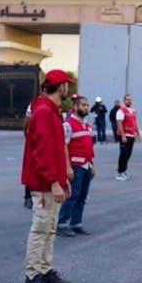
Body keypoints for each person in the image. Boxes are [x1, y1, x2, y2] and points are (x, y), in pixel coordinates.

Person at [21, 69, 76, 283]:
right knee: (41, 228)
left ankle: (45, 269)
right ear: (61, 86)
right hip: (44, 183)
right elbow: (42, 151)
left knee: (49, 228)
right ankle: (32, 277)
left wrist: (62, 180)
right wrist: (54, 181)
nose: (68, 88)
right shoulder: (44, 111)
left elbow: (55, 149)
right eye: (66, 85)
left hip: (51, 182)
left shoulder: (50, 111)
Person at [57, 95, 95, 237]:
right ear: (75, 107)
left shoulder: (87, 125)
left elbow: (90, 147)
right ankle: (62, 223)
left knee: (82, 195)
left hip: (86, 165)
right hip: (76, 165)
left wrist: (92, 165)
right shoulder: (68, 125)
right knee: (72, 195)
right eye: (83, 105)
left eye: (87, 105)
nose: (86, 107)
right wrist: (67, 167)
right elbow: (63, 147)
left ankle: (76, 223)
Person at [115, 94, 139, 181]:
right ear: (124, 100)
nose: (129, 101)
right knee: (123, 154)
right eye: (127, 100)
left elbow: (135, 122)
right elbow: (119, 123)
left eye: (130, 100)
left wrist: (138, 134)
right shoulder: (121, 110)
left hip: (131, 135)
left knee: (128, 154)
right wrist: (123, 135)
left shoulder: (133, 110)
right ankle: (120, 173)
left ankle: (124, 171)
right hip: (125, 136)